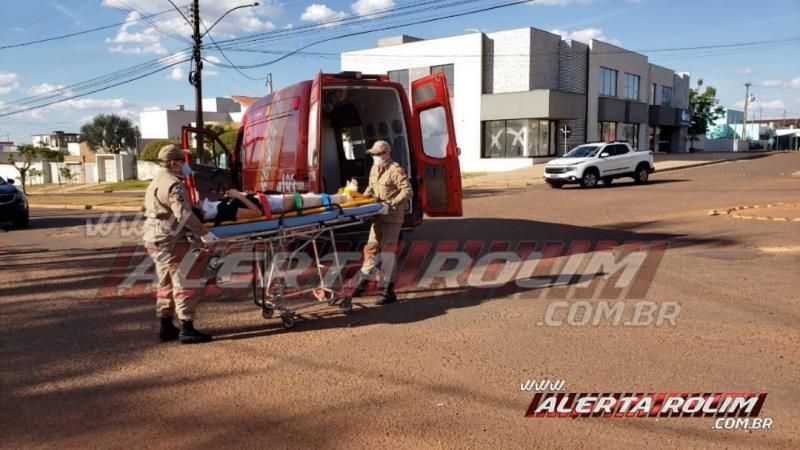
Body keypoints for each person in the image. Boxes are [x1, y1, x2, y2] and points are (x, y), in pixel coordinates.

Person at [143, 144, 219, 344]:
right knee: (183, 280)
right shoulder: (174, 184)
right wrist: (204, 234)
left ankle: (166, 325)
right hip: (170, 238)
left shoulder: (156, 181)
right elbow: (183, 215)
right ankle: (187, 327)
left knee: (165, 280)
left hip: (153, 235)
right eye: (182, 161)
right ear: (173, 163)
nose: (185, 165)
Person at [351, 140, 412, 304]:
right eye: (373, 155)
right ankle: (362, 283)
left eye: (378, 154)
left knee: (387, 253)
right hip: (377, 216)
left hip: (392, 218)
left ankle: (388, 290)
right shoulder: (374, 168)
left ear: (387, 154)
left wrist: (391, 204)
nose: (375, 157)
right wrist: (361, 200)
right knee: (370, 248)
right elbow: (371, 188)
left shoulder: (395, 170)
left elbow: (407, 191)